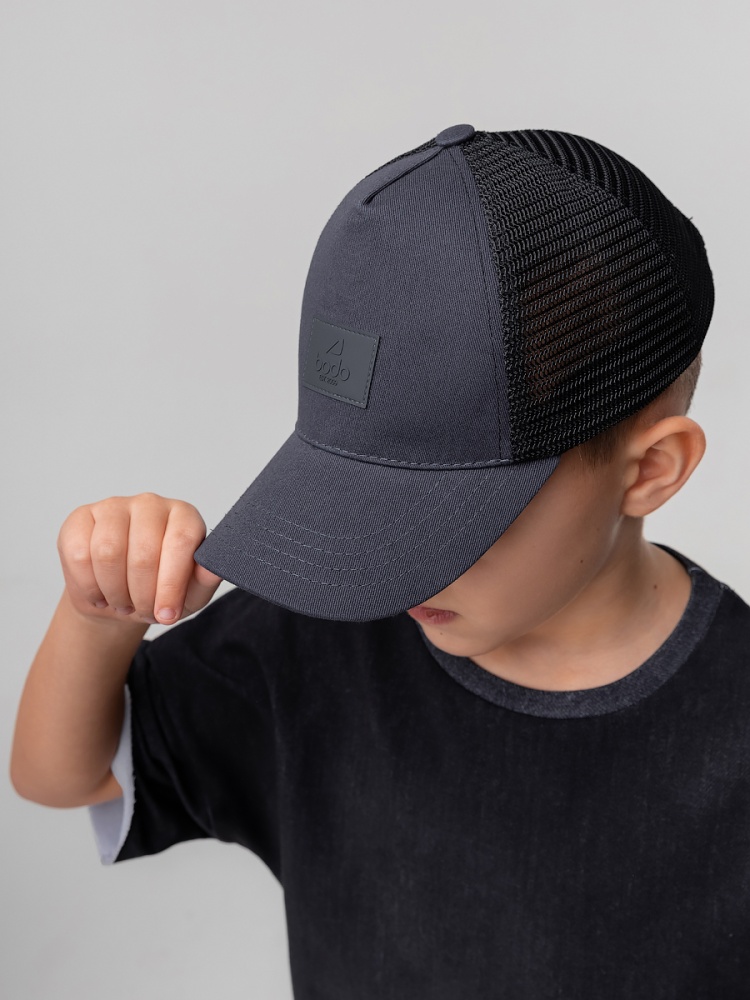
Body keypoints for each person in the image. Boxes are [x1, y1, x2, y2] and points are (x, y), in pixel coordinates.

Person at [10, 125, 750, 998]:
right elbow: (64, 777)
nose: (395, 564)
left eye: (449, 521)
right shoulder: (319, 631)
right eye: (366, 505)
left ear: (651, 470)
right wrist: (99, 617)